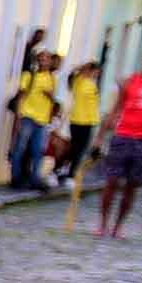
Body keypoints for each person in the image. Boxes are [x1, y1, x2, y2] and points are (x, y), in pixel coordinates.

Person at [94, 47, 142, 240]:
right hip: (124, 137)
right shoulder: (129, 83)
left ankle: (118, 226)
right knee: (111, 181)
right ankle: (103, 223)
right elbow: (115, 110)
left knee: (132, 186)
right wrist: (100, 137)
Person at [10, 35, 61, 190]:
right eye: (42, 59)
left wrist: (51, 100)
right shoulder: (29, 76)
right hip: (28, 116)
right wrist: (18, 117)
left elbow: (52, 100)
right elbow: (21, 96)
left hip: (42, 119)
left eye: (47, 59)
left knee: (38, 151)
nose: (44, 61)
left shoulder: (52, 79)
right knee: (20, 148)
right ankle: (16, 178)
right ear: (37, 60)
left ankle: (35, 178)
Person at [61, 58, 107, 187]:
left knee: (76, 148)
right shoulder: (82, 82)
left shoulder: (84, 82)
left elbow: (93, 105)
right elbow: (70, 77)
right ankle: (69, 174)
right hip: (81, 121)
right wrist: (80, 68)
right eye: (96, 72)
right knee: (78, 149)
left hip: (83, 121)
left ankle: (66, 170)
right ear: (91, 71)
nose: (97, 75)